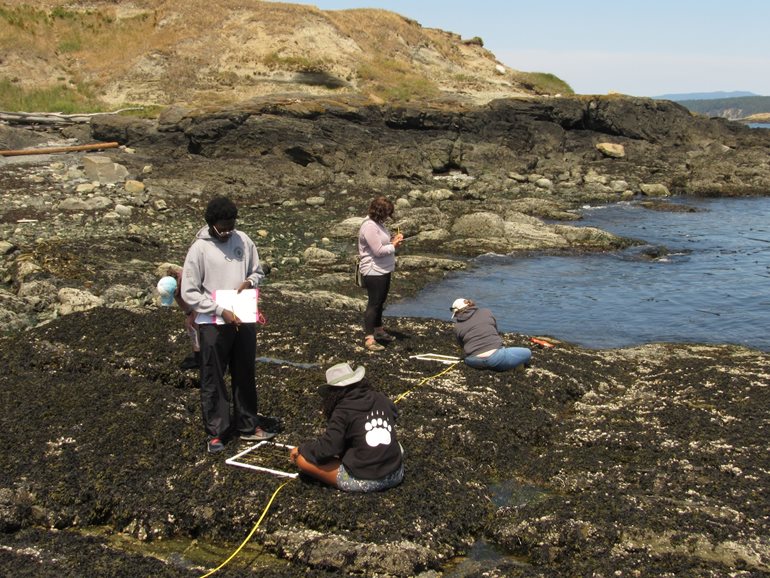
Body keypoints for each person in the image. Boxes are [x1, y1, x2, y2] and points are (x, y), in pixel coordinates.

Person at [181, 196, 276, 454]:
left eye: (230, 227)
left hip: (243, 316)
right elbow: (189, 292)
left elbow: (257, 271)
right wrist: (221, 310)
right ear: (211, 224)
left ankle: (248, 424)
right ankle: (216, 432)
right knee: (213, 377)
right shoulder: (199, 249)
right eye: (222, 227)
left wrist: (250, 282)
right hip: (213, 321)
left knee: (245, 372)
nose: (226, 232)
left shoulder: (243, 241)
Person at [289, 363, 404, 492]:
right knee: (392, 443)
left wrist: (302, 449)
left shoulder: (342, 410)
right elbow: (394, 414)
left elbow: (327, 449)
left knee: (302, 460)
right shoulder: (380, 397)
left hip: (367, 481)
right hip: (396, 473)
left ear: (332, 392)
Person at [357, 196, 404, 351]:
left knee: (380, 301)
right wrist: (394, 245)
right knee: (374, 303)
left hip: (383, 269)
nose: (388, 217)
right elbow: (377, 251)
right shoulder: (369, 226)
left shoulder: (378, 224)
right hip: (373, 270)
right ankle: (369, 339)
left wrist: (391, 240)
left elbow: (381, 243)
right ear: (379, 212)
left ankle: (378, 330)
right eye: (386, 213)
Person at [451, 298, 532, 372]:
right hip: (496, 358)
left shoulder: (457, 326)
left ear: (458, 313)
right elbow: (495, 331)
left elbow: (462, 345)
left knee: (472, 359)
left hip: (473, 361)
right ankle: (515, 368)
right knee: (527, 352)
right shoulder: (486, 312)